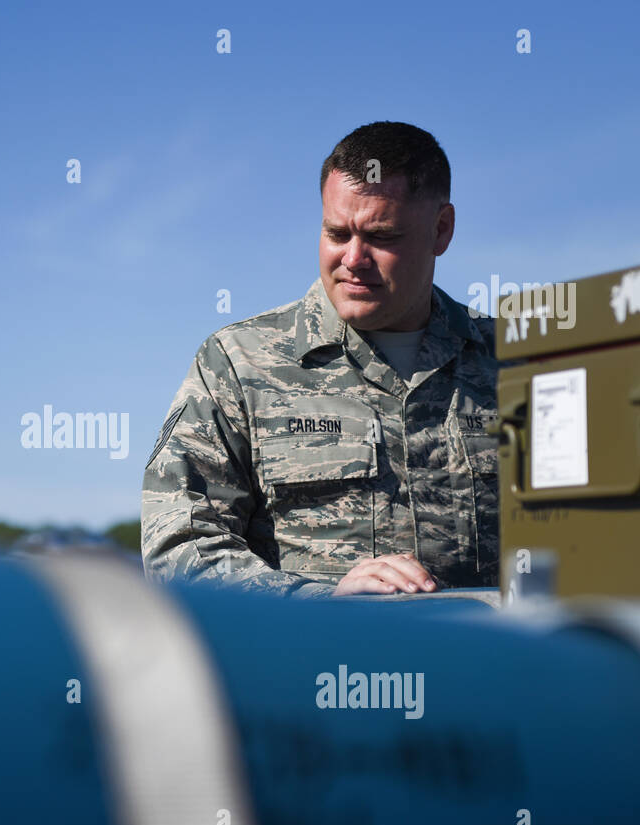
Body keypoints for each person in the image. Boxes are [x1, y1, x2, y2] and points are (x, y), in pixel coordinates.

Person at [141, 121, 500, 598]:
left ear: (441, 229)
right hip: (315, 667)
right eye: (336, 233)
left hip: (488, 666)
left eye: (381, 235)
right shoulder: (239, 363)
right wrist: (317, 603)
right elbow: (176, 547)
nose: (353, 258)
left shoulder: (516, 362)